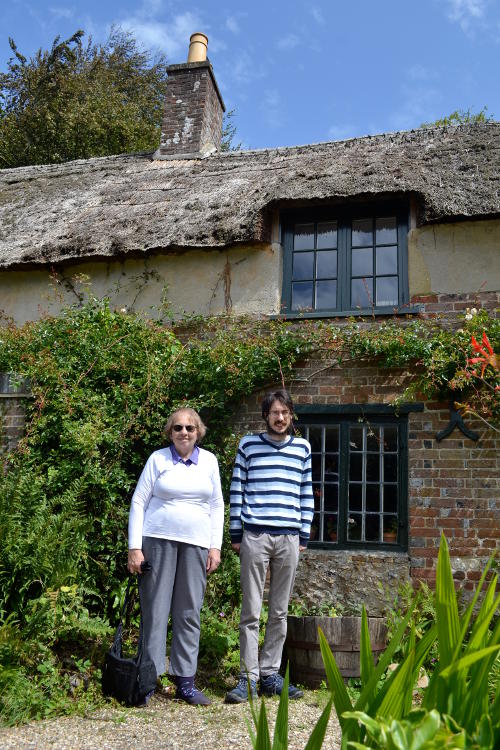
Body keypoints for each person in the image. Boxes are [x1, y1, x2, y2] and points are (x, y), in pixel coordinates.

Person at [128, 407, 224, 705]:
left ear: (199, 432)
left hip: (196, 545)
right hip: (157, 542)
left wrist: (215, 546)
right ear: (170, 432)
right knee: (155, 611)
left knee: (188, 612)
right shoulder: (158, 459)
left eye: (190, 428)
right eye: (178, 428)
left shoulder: (209, 461)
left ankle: (185, 681)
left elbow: (217, 505)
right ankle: (148, 679)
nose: (184, 432)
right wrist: (134, 547)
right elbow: (139, 501)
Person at [225, 389, 314, 703]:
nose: (280, 418)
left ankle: (269, 674)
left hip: (288, 537)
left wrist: (303, 535)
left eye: (285, 413)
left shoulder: (302, 448)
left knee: (279, 611)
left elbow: (306, 493)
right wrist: (236, 534)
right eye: (275, 413)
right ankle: (247, 678)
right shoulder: (248, 445)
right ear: (266, 416)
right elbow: (238, 489)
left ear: (291, 416)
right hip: (255, 535)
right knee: (250, 611)